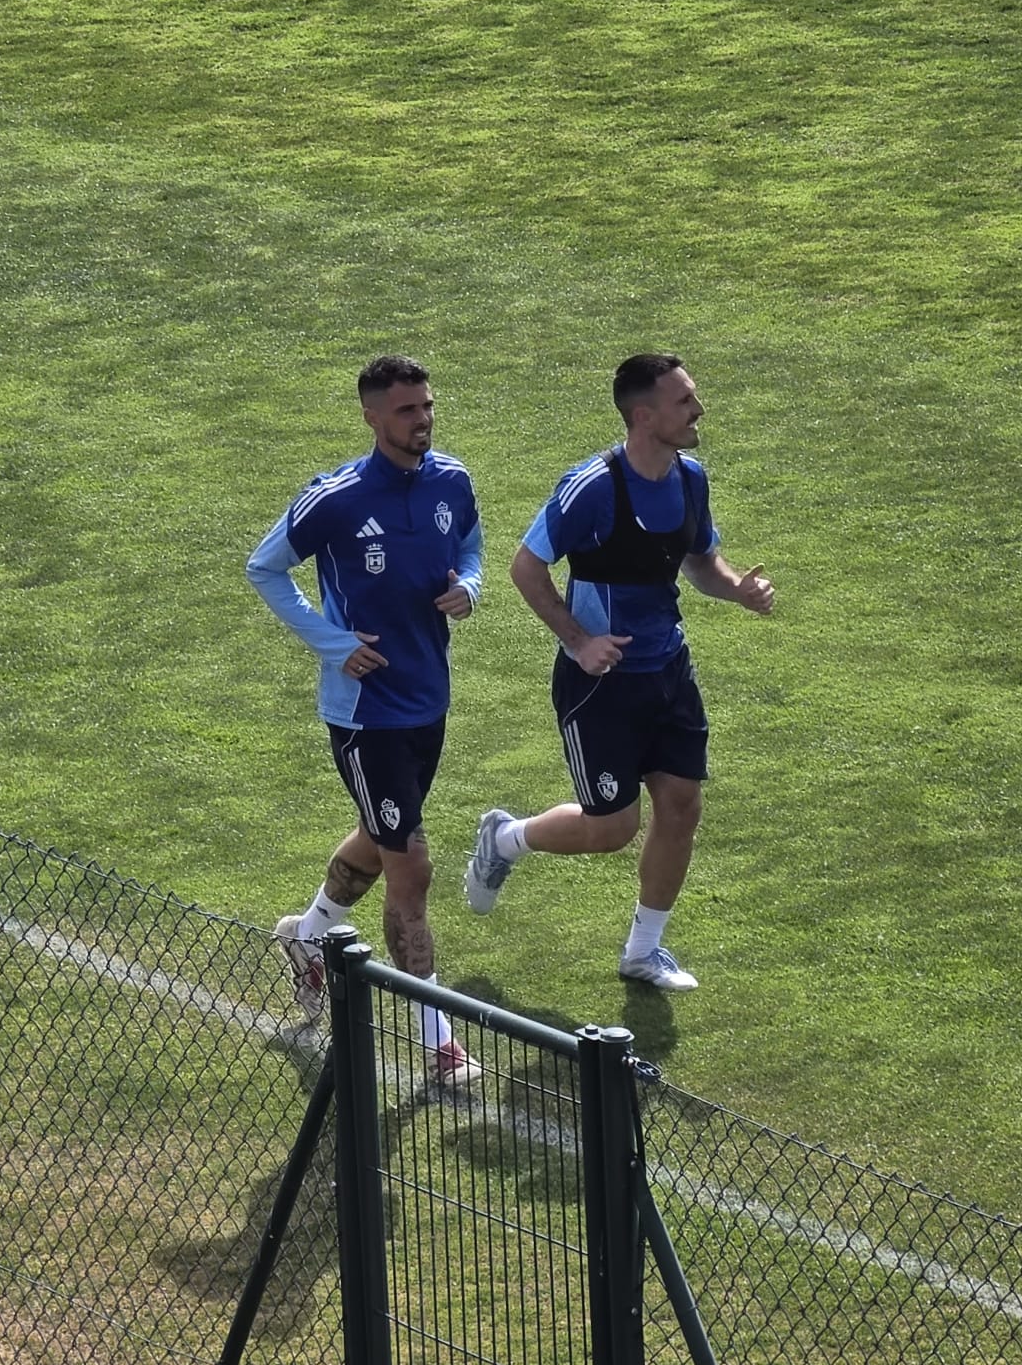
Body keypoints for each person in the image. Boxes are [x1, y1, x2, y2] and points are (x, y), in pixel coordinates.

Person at [463, 354, 773, 991]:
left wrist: (737, 589)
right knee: (611, 828)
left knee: (681, 806)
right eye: (684, 401)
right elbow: (526, 568)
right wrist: (579, 642)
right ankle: (507, 838)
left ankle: (643, 951)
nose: (698, 410)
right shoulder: (593, 488)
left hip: (668, 669)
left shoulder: (690, 478)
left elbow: (701, 561)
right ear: (644, 416)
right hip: (601, 684)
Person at [248, 355, 485, 1086]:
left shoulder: (452, 481)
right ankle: (439, 1044)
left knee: (382, 839)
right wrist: (332, 642)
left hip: (428, 700)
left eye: (428, 406)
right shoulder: (337, 498)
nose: (424, 420)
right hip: (366, 714)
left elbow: (470, 543)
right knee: (411, 864)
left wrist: (471, 585)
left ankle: (307, 936)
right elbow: (264, 567)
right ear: (373, 417)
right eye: (408, 410)